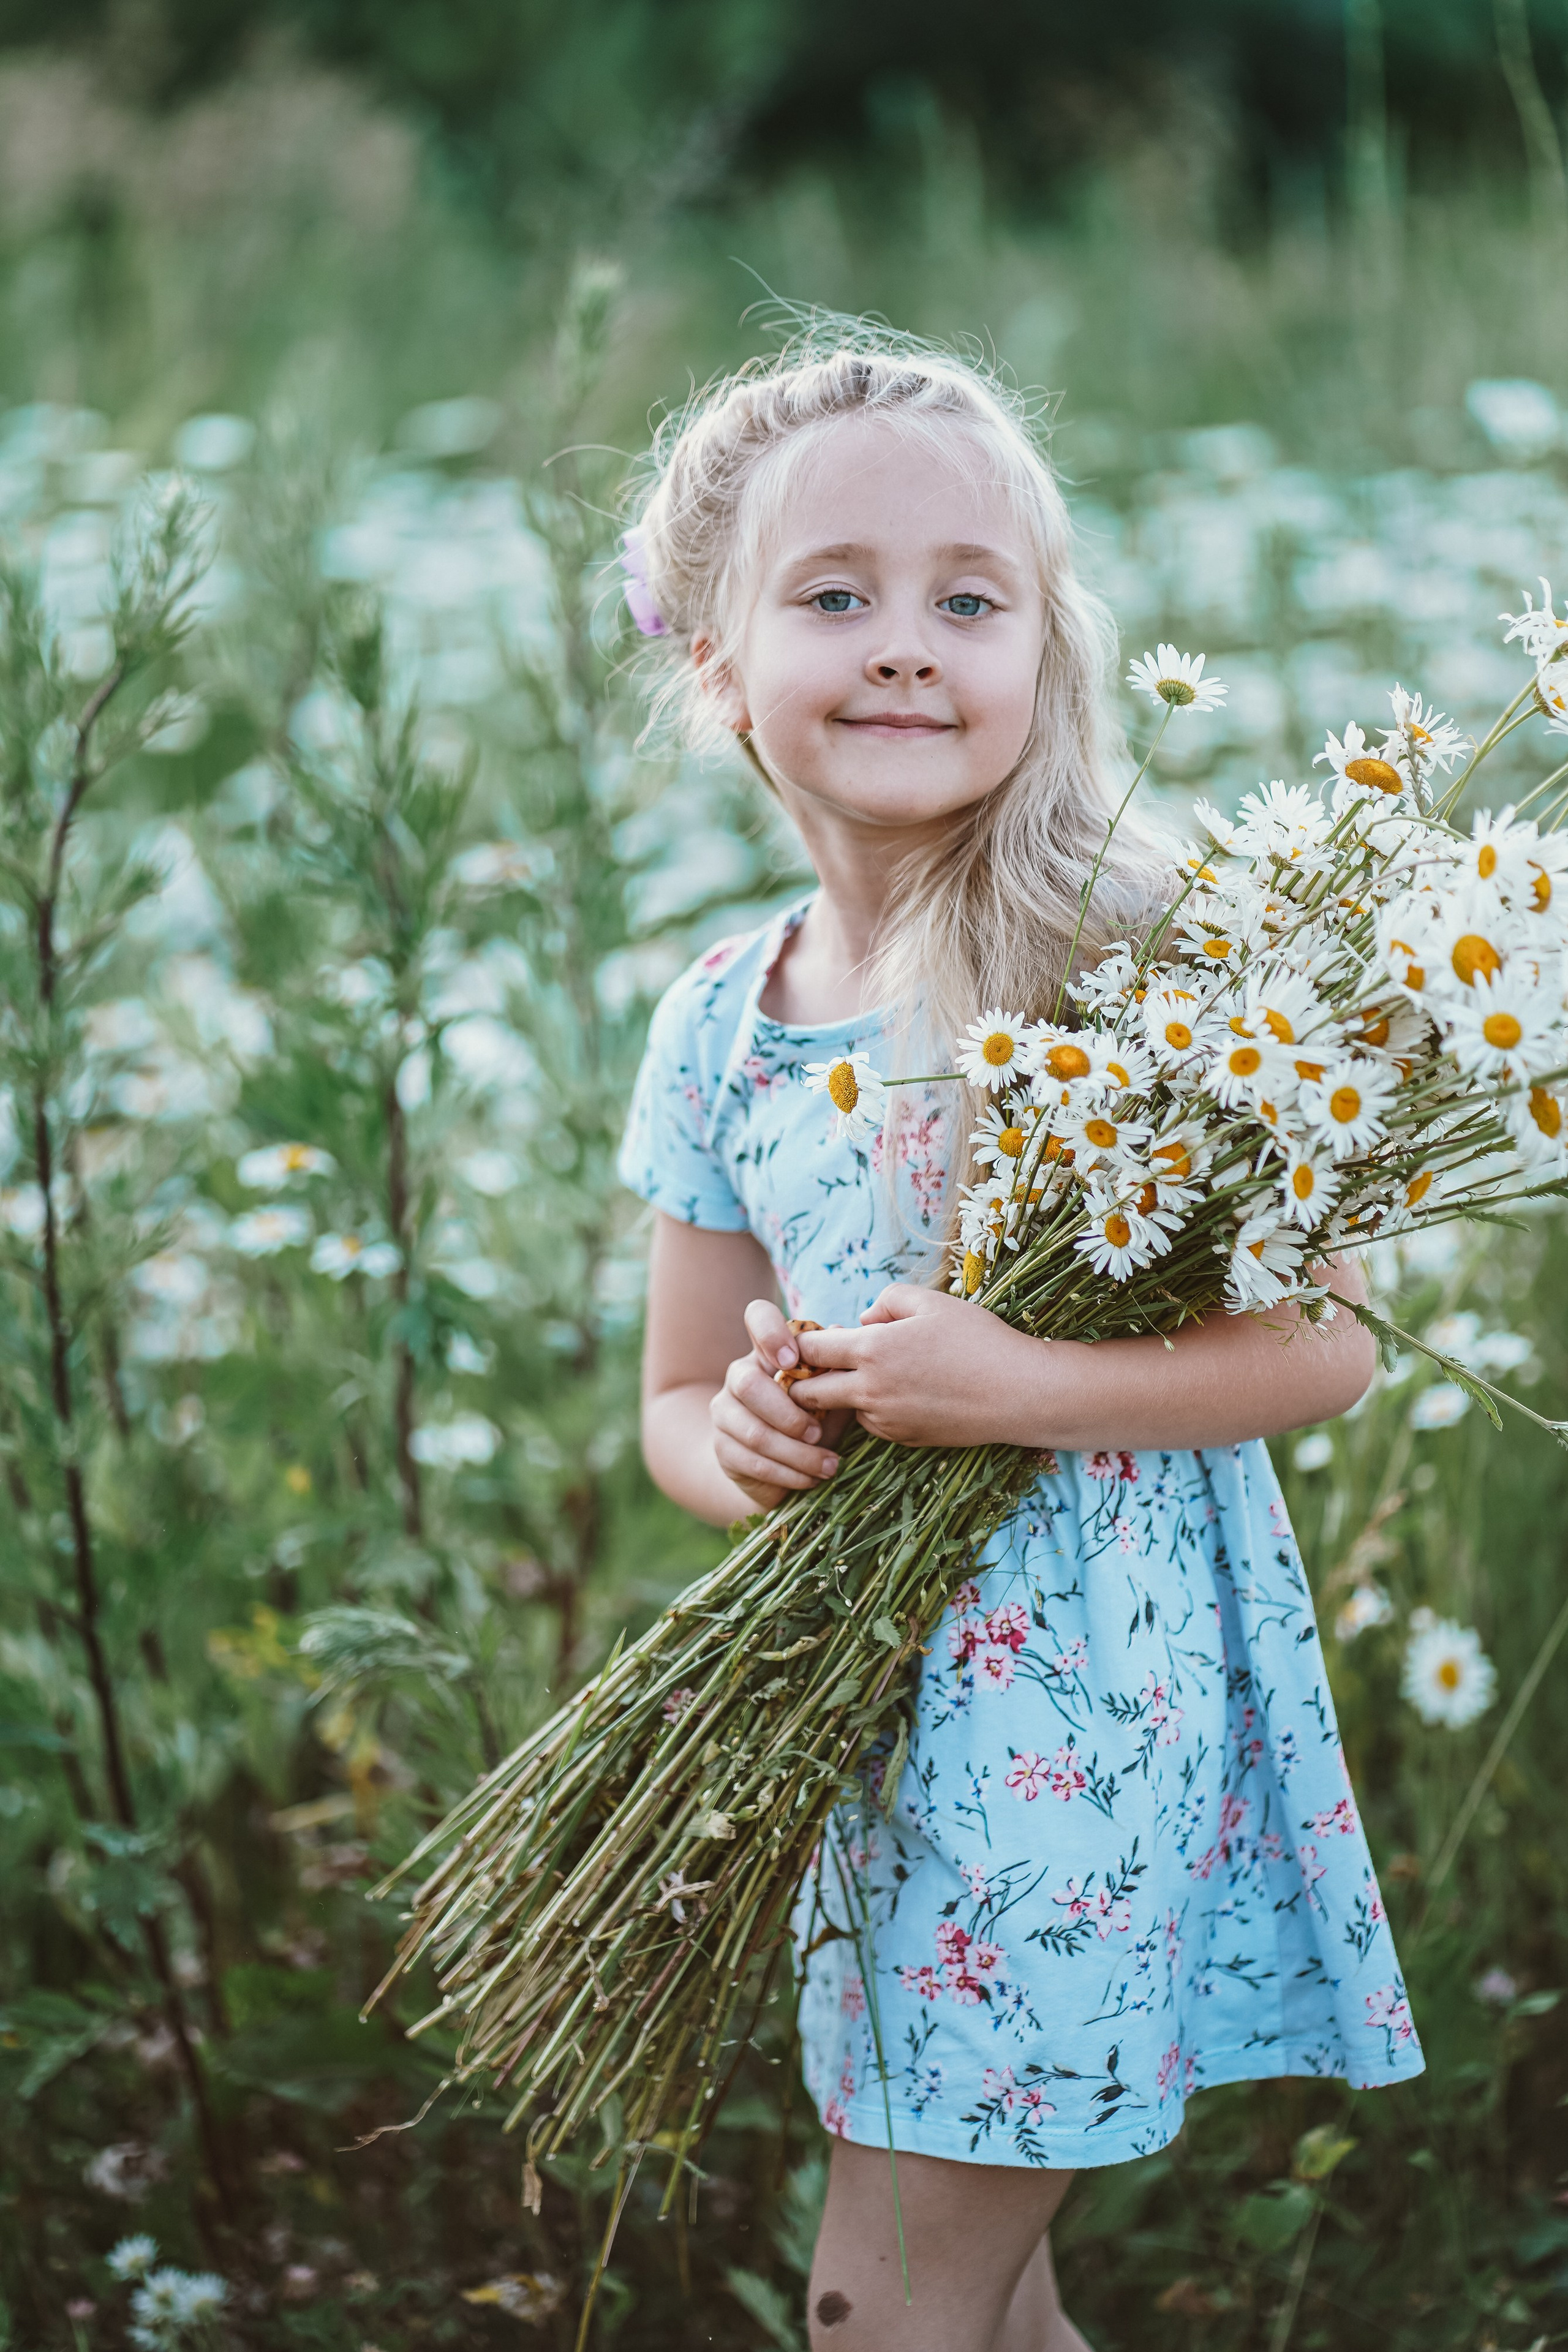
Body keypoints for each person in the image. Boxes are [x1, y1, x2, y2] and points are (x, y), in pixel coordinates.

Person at [614, 334, 1423, 2352]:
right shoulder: (721, 1013)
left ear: (1048, 655)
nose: (905, 646)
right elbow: (672, 1402)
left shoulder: (1137, 962)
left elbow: (1332, 1343)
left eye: (968, 600)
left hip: (1084, 1725)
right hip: (862, 1726)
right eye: (834, 596)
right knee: (989, 2296)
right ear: (717, 665)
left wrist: (1021, 1389)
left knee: (877, 2306)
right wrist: (750, 1441)